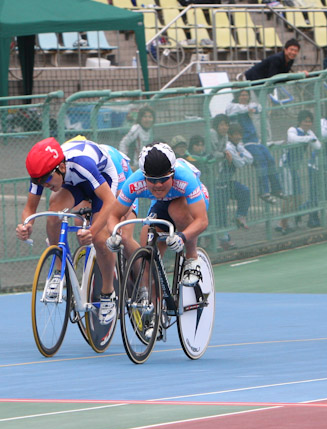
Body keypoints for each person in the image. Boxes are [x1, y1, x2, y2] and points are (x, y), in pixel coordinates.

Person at [16, 136, 135, 325]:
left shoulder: (81, 163)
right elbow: (29, 209)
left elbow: (109, 202)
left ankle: (108, 293)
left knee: (100, 239)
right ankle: (57, 267)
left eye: (47, 179)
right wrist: (26, 224)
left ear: (61, 167)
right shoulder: (43, 173)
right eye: (39, 181)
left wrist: (93, 230)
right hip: (75, 183)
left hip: (105, 179)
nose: (44, 185)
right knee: (54, 210)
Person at [105, 142, 209, 288]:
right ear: (144, 176)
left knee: (176, 209)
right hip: (161, 204)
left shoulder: (185, 178)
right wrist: (113, 233)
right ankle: (153, 299)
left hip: (188, 203)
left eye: (163, 180)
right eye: (153, 181)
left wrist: (182, 237)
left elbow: (202, 220)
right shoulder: (135, 182)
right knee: (147, 241)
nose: (158, 185)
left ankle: (192, 258)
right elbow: (113, 215)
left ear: (172, 174)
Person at [226, 89, 286, 204]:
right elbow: (236, 109)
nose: (244, 97)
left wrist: (250, 108)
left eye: (246, 95)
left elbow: (258, 108)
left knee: (270, 160)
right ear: (237, 96)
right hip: (245, 143)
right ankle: (264, 191)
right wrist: (247, 109)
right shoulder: (232, 106)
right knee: (261, 162)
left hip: (255, 141)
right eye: (242, 95)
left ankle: (276, 189)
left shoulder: (250, 105)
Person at [282, 110, 322, 231]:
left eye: (310, 121)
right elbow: (294, 139)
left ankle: (290, 220)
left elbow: (318, 146)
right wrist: (309, 139)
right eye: (305, 121)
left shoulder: (309, 132)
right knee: (289, 197)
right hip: (286, 166)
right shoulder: (293, 130)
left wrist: (310, 138)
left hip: (295, 168)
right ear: (300, 121)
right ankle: (282, 224)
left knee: (298, 197)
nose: (307, 124)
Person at [244, 38, 309, 81]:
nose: (293, 53)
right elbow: (274, 77)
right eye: (291, 50)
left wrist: (298, 75)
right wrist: (297, 75)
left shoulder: (290, 60)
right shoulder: (277, 59)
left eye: (296, 51)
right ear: (285, 50)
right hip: (252, 80)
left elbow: (284, 75)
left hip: (262, 82)